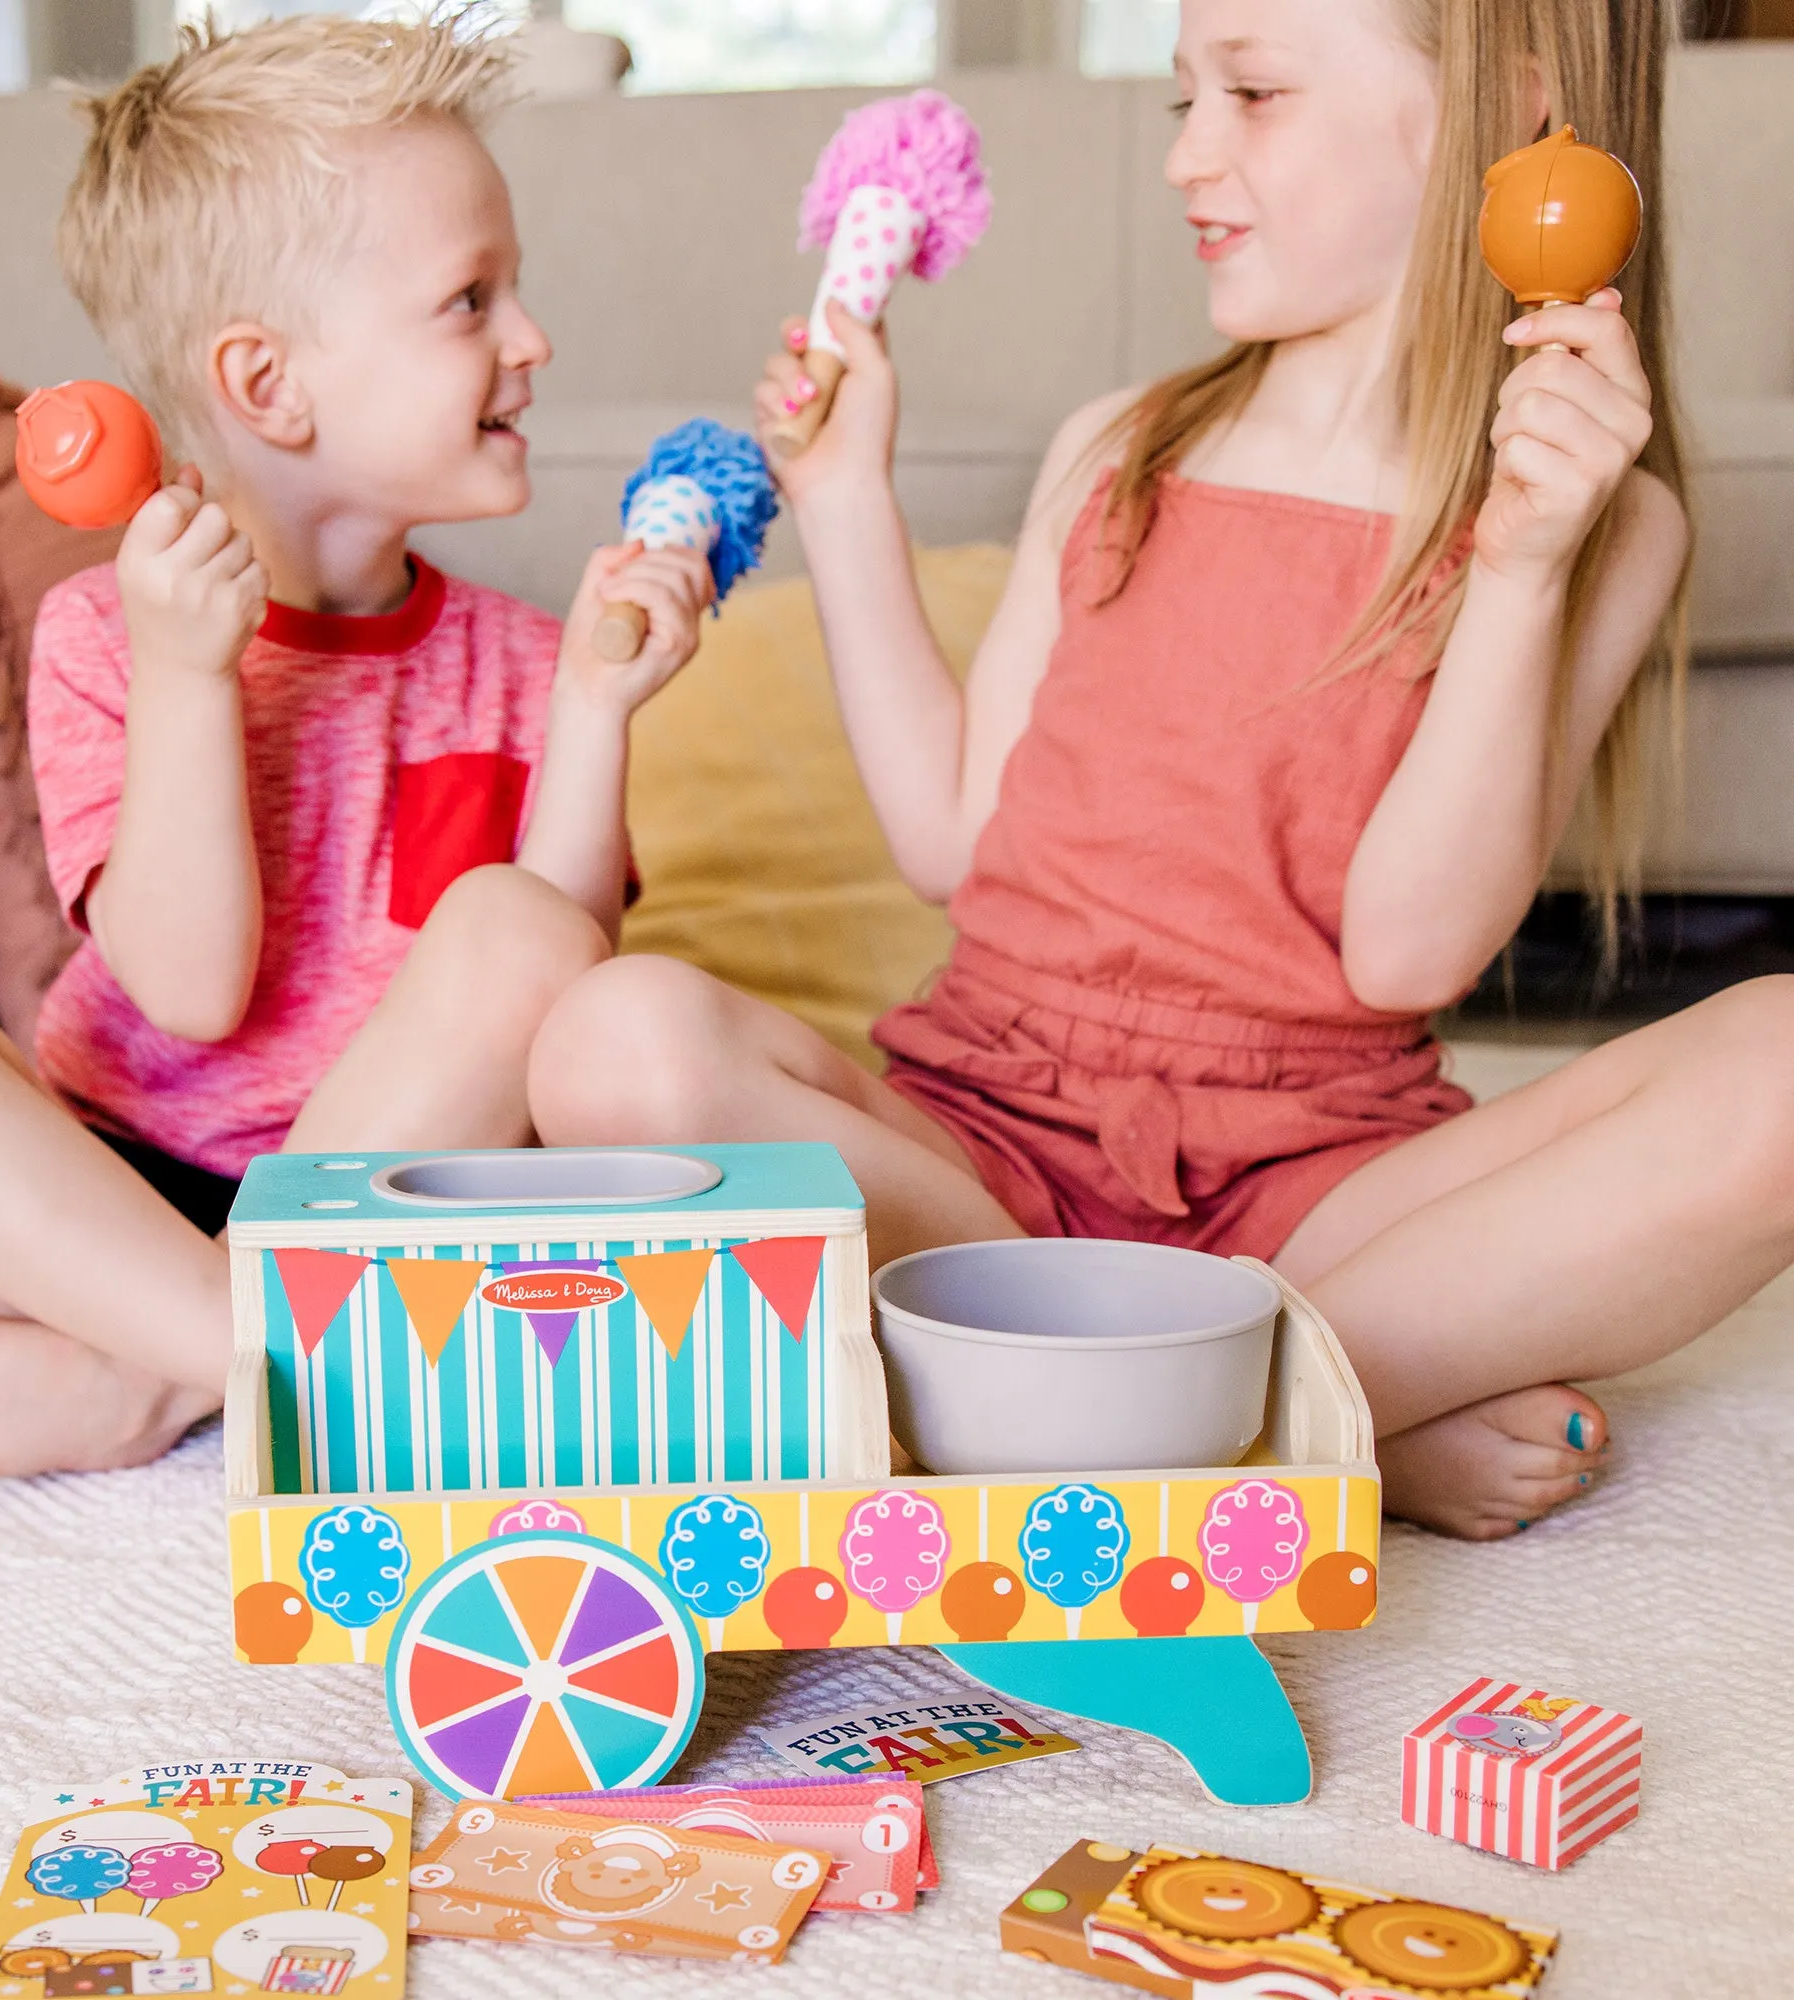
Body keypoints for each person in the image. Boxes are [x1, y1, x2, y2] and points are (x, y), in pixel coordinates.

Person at [527, 0, 1794, 1539]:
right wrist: (844, 495)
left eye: (1253, 92)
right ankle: (1303, 1418)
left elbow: (1410, 948)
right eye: (1184, 97)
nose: (1190, 153)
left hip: (1314, 1182)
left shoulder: (1603, 520)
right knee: (610, 1042)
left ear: (1504, 111)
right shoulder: (1117, 445)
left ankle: (1156, 1398)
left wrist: (1520, 572)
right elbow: (954, 839)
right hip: (981, 1158)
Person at [0, 13, 711, 1477]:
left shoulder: (526, 658)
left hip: (395, 1204)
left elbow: (561, 1006)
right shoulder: (112, 636)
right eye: (470, 301)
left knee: (520, 928)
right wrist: (188, 676)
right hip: (104, 1208)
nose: (532, 339)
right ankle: (250, 1346)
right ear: (269, 385)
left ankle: (165, 1386)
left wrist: (597, 714)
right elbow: (189, 987)